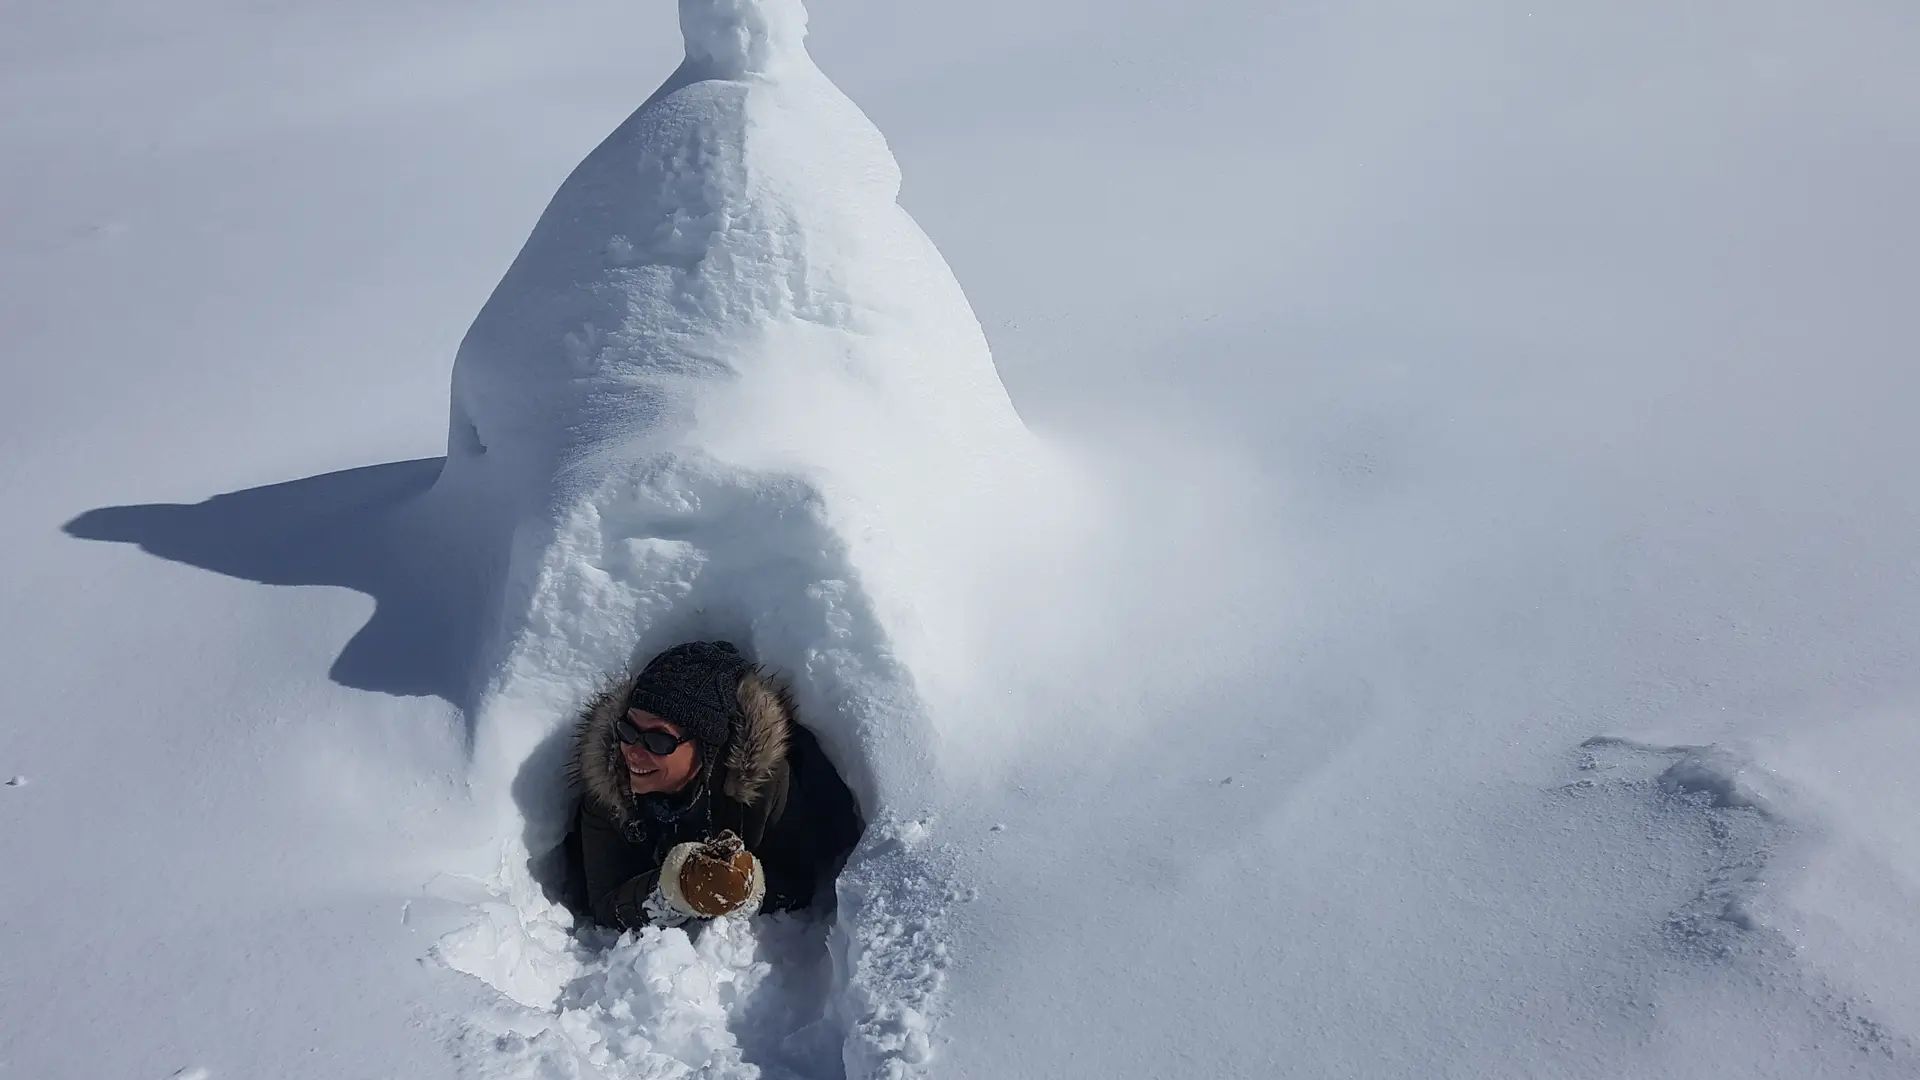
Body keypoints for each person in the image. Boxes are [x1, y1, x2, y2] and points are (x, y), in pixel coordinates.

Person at [562, 640, 863, 931]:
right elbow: (604, 905)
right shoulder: (611, 785)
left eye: (658, 740)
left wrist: (746, 888)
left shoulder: (762, 786)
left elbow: (796, 881)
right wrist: (676, 890)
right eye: (628, 729)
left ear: (706, 748)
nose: (633, 751)